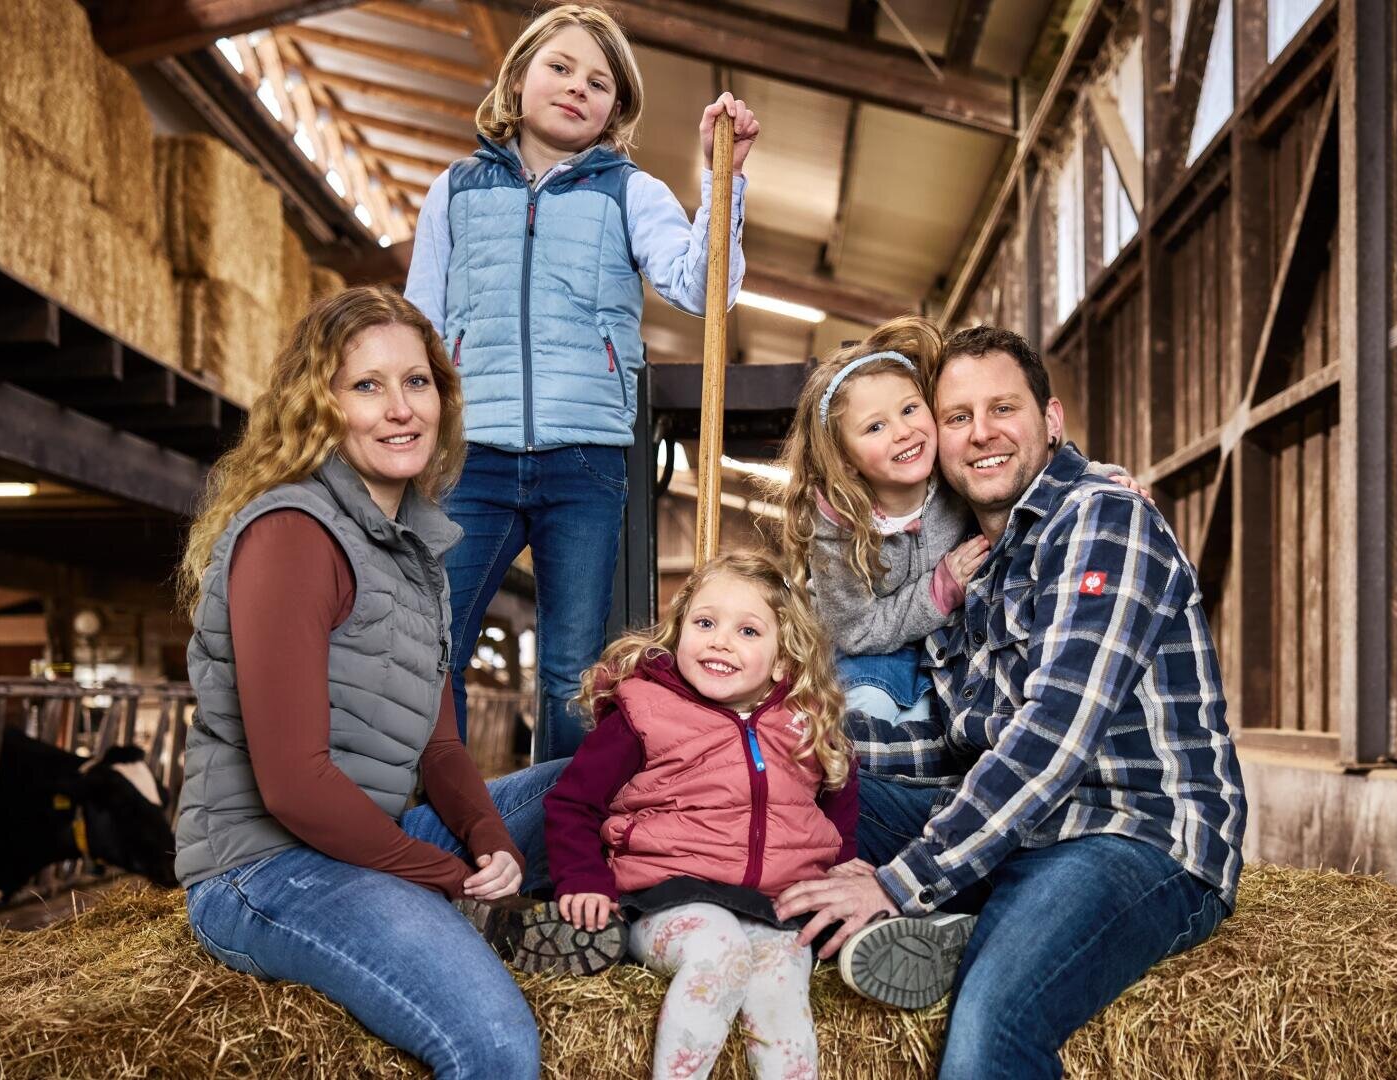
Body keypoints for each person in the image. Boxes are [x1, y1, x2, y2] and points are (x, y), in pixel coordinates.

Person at [776, 326, 1248, 1080]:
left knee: (990, 1028)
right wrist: (776, 746)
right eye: (957, 417)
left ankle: (972, 931)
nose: (981, 433)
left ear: (1051, 421)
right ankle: (596, 888)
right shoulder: (966, 563)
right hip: (1010, 830)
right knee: (764, 787)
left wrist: (898, 881)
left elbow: (1053, 736)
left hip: (1126, 833)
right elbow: (942, 744)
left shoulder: (1102, 519)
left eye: (1003, 409)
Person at [172, 287, 613, 1078]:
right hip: (267, 869)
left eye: (417, 382)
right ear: (321, 406)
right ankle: (471, 934)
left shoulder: (415, 550)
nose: (401, 408)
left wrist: (489, 838)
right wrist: (455, 879)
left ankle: (686, 932)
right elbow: (295, 788)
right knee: (496, 1046)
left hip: (367, 841)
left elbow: (440, 748)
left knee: (598, 784)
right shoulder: (291, 534)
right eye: (367, 386)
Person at [404, 3, 761, 763]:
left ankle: (556, 823)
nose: (577, 87)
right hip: (473, 455)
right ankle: (445, 818)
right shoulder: (455, 191)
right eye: (560, 68)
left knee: (572, 669)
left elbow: (703, 290)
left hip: (585, 459)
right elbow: (420, 325)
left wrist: (722, 178)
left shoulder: (629, 192)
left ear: (615, 108)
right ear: (518, 78)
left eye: (599, 82)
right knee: (434, 644)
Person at [774, 316, 1144, 774]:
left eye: (911, 410)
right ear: (845, 460)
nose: (902, 432)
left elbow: (1030, 473)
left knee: (922, 739)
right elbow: (852, 631)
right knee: (855, 736)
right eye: (874, 427)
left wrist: (1100, 474)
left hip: (934, 664)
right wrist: (940, 588)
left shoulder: (949, 480)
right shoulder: (840, 525)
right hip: (860, 657)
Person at [543, 552, 858, 1080]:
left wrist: (843, 872)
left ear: (783, 659)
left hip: (772, 908)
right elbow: (573, 803)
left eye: (747, 631)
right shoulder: (646, 713)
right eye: (705, 623)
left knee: (782, 978)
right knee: (719, 949)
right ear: (679, 632)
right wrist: (583, 879)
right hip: (666, 899)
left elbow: (838, 807)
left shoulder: (805, 725)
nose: (720, 641)